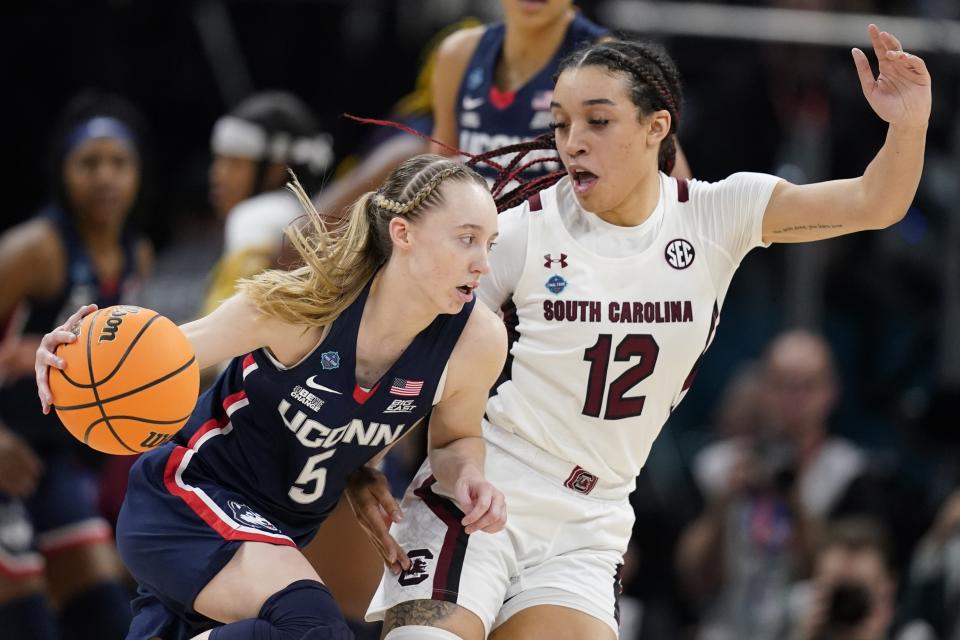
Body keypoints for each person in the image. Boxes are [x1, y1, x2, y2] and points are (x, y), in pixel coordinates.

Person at [354, 24, 931, 640]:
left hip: (591, 517)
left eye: (597, 122)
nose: (572, 142)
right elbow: (408, 336)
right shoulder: (521, 228)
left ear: (657, 129)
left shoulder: (717, 213)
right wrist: (363, 457)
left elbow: (875, 202)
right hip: (486, 483)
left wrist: (909, 124)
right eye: (560, 123)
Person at [34, 154, 508, 638]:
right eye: (467, 239)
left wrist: (468, 475)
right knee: (315, 628)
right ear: (403, 234)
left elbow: (454, 440)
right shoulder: (304, 307)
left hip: (267, 538)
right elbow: (154, 355)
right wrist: (64, 356)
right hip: (186, 502)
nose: (484, 263)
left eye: (490, 243)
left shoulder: (478, 341)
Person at [0, 91, 153, 639]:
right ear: (62, 171)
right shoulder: (35, 250)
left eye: (119, 162)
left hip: (49, 457)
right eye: (89, 163)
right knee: (25, 624)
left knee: (107, 616)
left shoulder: (136, 255)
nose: (105, 177)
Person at [430, 0, 690, 185]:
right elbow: (436, 170)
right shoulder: (458, 54)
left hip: (564, 252)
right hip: (479, 247)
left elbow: (677, 182)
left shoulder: (612, 62)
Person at [203, 90, 333, 315]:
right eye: (218, 159)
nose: (217, 174)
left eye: (234, 163)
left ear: (275, 169)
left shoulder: (258, 217)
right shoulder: (299, 214)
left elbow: (226, 325)